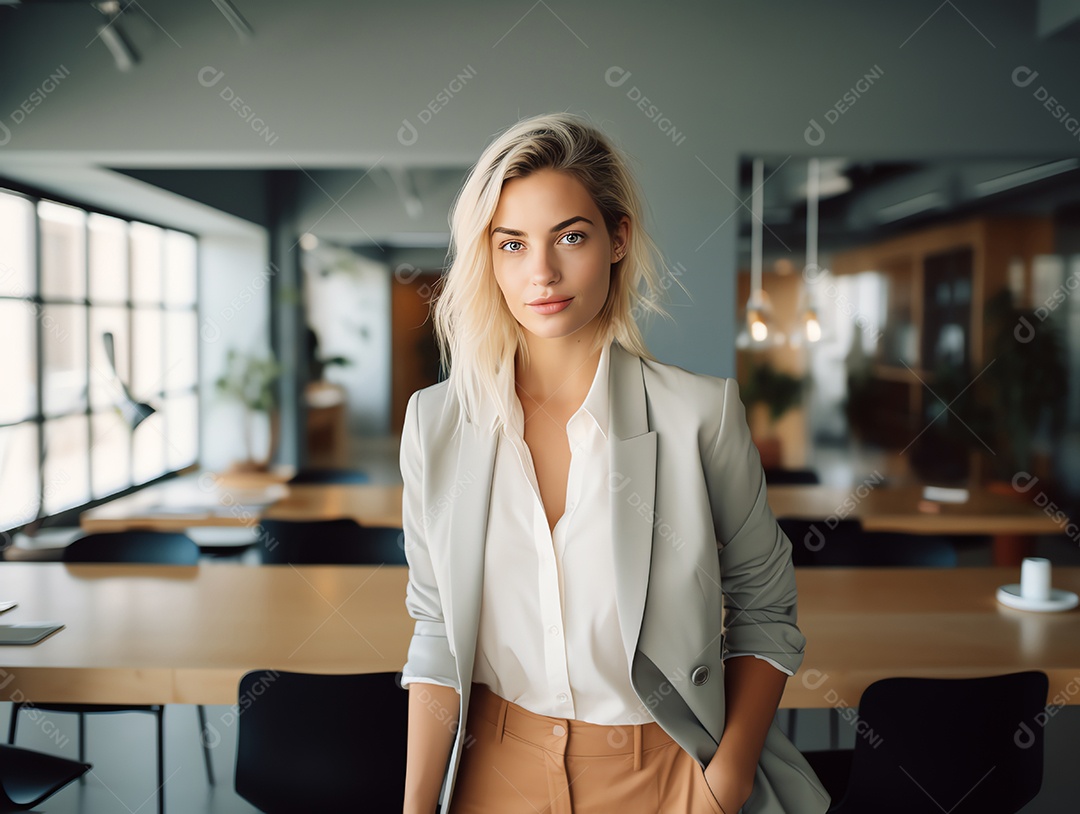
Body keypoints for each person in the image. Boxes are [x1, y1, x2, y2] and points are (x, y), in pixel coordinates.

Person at [398, 112, 830, 814]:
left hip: (662, 776)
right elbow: (437, 629)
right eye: (512, 244)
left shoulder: (700, 415)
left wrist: (725, 784)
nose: (541, 272)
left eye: (570, 236)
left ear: (617, 238)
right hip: (492, 770)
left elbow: (765, 610)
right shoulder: (437, 423)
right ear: (489, 257)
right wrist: (418, 808)